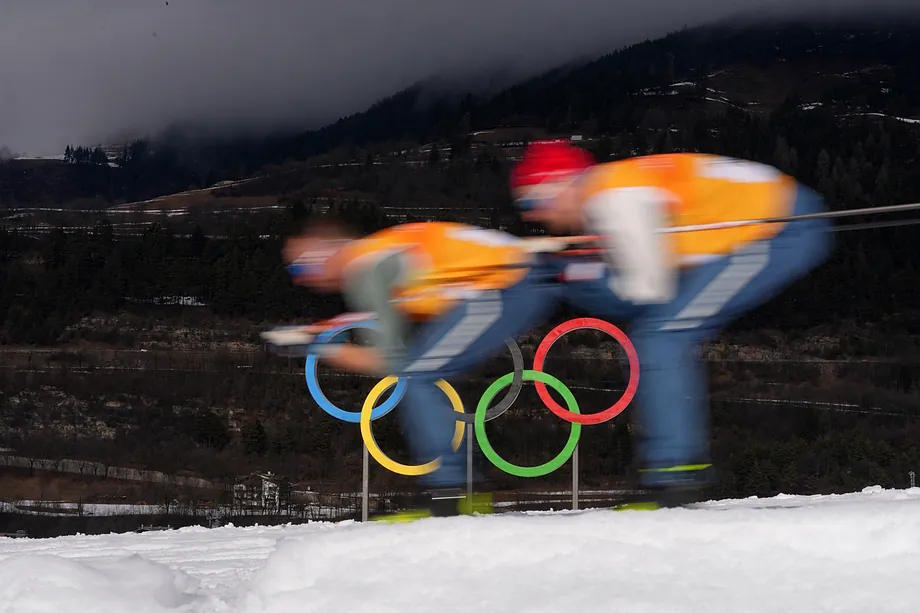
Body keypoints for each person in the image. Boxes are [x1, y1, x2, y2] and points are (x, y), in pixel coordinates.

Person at [510, 142, 832, 507]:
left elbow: (644, 291)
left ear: (558, 186)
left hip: (776, 230)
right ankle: (671, 468)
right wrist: (570, 270)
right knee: (660, 333)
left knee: (663, 335)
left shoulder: (614, 200)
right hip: (761, 228)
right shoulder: (611, 193)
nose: (535, 217)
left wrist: (565, 271)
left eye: (531, 203)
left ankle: (674, 474)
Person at [264, 219, 564, 516]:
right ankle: (454, 490)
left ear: (325, 253)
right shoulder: (376, 254)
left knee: (419, 375)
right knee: (421, 371)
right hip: (512, 278)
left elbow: (391, 361)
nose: (301, 280)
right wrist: (322, 337)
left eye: (300, 268)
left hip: (507, 284)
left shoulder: (366, 271)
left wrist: (318, 347)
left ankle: (452, 496)